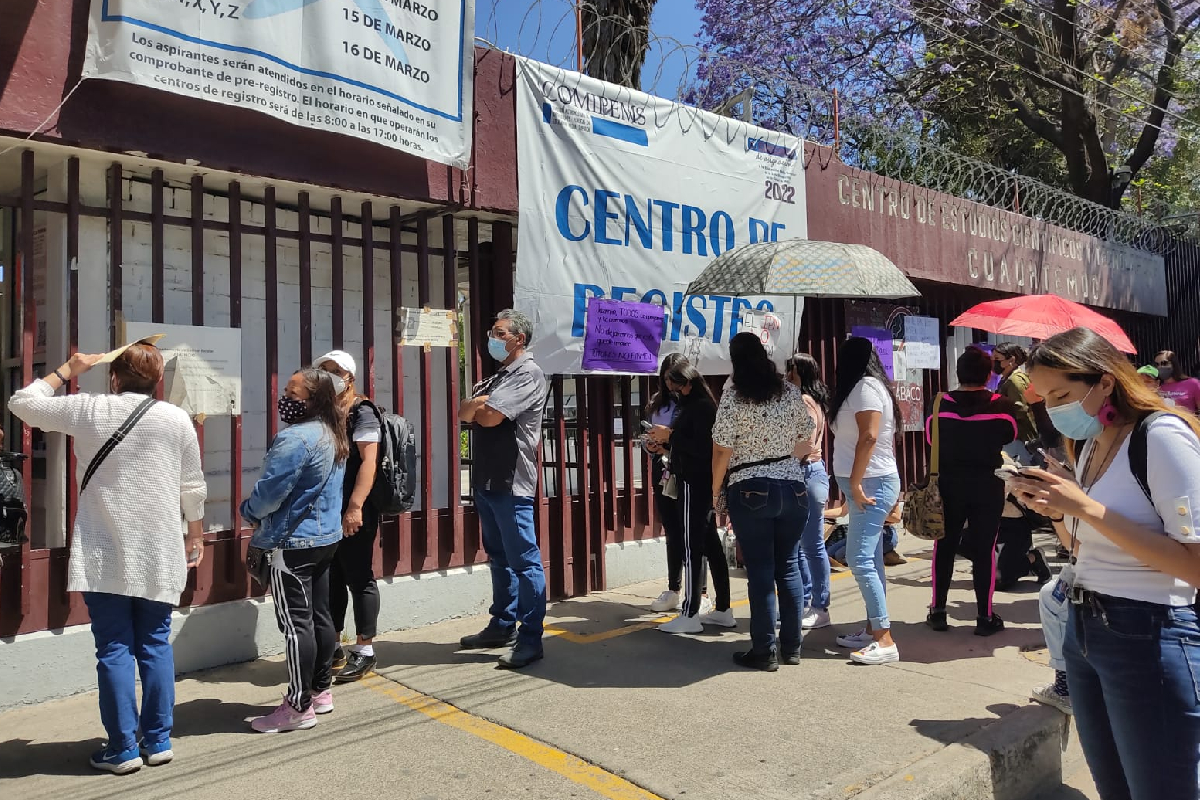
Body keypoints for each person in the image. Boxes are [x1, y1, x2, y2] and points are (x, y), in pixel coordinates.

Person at [1011, 328, 1200, 800]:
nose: (1054, 409)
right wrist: (1055, 508)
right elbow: (1084, 546)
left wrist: (1087, 508)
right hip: (1085, 628)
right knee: (1113, 786)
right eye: (1046, 398)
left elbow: (1195, 566)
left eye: (1063, 394)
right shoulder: (1093, 442)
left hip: (1149, 632)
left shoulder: (1160, 436)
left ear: (1105, 382)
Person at [8, 344, 207, 774]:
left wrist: (67, 370)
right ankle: (158, 741)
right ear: (156, 382)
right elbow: (191, 485)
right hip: (160, 549)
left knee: (114, 648)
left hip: (103, 551)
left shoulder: (90, 409)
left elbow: (22, 403)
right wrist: (196, 534)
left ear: (114, 378)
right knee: (155, 644)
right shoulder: (176, 419)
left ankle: (122, 749)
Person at [242, 368, 347, 733]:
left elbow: (270, 493)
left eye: (293, 391)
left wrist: (247, 511)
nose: (284, 397)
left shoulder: (295, 439)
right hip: (325, 539)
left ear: (313, 399)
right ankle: (320, 691)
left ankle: (298, 706)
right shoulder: (332, 433)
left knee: (295, 626)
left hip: (292, 543)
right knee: (320, 616)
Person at [711, 332, 812, 669]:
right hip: (794, 488)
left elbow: (722, 449)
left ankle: (764, 651)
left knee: (761, 570)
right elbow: (806, 433)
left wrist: (715, 491)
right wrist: (785, 457)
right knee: (789, 566)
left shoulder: (733, 398)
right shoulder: (789, 392)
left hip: (750, 486)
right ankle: (793, 647)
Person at [458, 310, 550, 669]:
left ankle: (530, 637)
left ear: (518, 339)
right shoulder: (498, 376)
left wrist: (482, 407)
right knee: (497, 557)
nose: (491, 339)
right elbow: (466, 411)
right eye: (491, 332)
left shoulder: (529, 374)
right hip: (486, 480)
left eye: (499, 333)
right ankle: (502, 623)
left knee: (524, 562)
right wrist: (480, 406)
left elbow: (492, 416)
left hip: (512, 482)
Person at [925, 347, 1018, 636]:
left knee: (945, 546)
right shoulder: (1002, 405)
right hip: (986, 485)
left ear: (958, 372)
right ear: (990, 374)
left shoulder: (939, 403)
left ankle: (938, 611)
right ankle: (984, 616)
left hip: (948, 485)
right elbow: (1010, 435)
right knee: (983, 549)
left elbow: (931, 438)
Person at [829, 336, 902, 665]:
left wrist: (856, 482)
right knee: (869, 558)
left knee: (858, 558)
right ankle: (874, 629)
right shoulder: (864, 387)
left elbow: (870, 436)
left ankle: (884, 639)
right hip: (866, 482)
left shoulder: (866, 388)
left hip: (870, 483)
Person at [648, 362, 733, 634]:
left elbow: (701, 447)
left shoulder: (699, 408)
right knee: (710, 545)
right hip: (700, 481)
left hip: (692, 481)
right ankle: (723, 609)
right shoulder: (703, 405)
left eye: (674, 384)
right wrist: (666, 442)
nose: (671, 390)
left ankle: (690, 612)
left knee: (690, 547)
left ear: (685, 383)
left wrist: (670, 437)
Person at [314, 350, 381, 683]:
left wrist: (355, 507)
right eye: (322, 370)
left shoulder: (362, 411)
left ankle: (365, 650)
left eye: (334, 370)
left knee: (358, 576)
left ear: (350, 377)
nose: (327, 375)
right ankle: (333, 646)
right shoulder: (326, 411)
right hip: (329, 508)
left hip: (356, 507)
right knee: (333, 578)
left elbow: (368, 463)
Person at [643, 354, 711, 614]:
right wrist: (651, 445)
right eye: (667, 378)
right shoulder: (657, 403)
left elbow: (698, 440)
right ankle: (674, 588)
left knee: (694, 532)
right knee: (672, 530)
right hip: (663, 468)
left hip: (689, 470)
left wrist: (670, 438)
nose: (671, 384)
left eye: (676, 378)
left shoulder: (696, 404)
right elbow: (651, 436)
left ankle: (701, 592)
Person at [786, 352, 832, 630]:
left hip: (805, 472)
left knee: (812, 545)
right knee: (803, 545)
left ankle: (819, 605)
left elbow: (802, 444)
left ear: (799, 373)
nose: (786, 376)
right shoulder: (815, 402)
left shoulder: (803, 402)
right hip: (810, 472)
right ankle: (806, 603)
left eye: (790, 371)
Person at [993, 343, 1038, 461]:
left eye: (997, 359)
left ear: (1011, 360)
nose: (993, 363)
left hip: (1020, 439)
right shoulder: (1006, 379)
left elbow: (1021, 411)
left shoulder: (1015, 381)